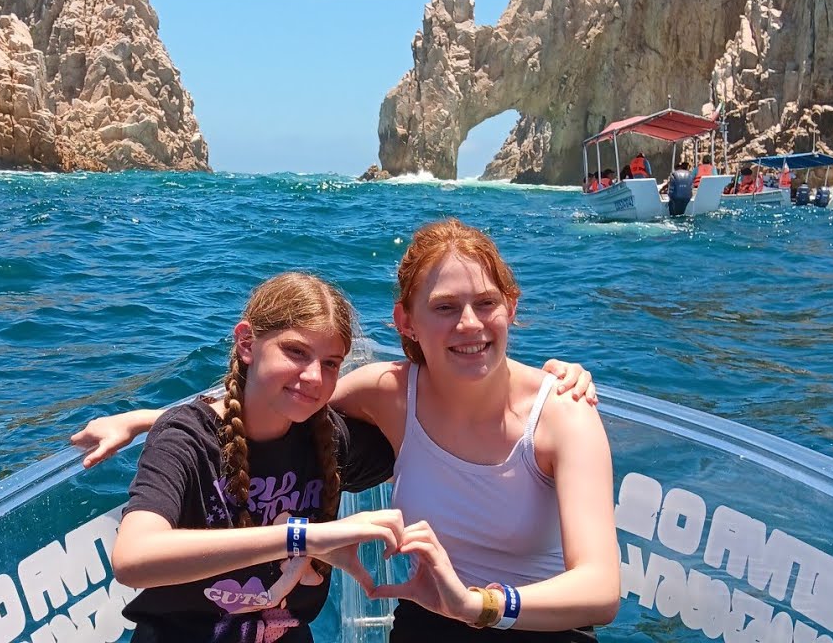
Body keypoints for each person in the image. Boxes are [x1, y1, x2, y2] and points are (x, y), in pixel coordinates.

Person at [78, 221, 614, 641]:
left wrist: (478, 606)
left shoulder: (563, 412)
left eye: (486, 304)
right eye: (445, 308)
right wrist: (148, 421)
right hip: (425, 624)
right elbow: (266, 404)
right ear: (407, 323)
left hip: (536, 626)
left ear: (511, 308)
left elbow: (601, 590)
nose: (469, 325)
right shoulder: (389, 392)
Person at [109, 272, 407, 642]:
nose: (314, 376)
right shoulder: (186, 440)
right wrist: (301, 538)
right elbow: (133, 559)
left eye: (331, 363)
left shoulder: (327, 438)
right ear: (247, 343)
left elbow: (431, 460)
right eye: (296, 351)